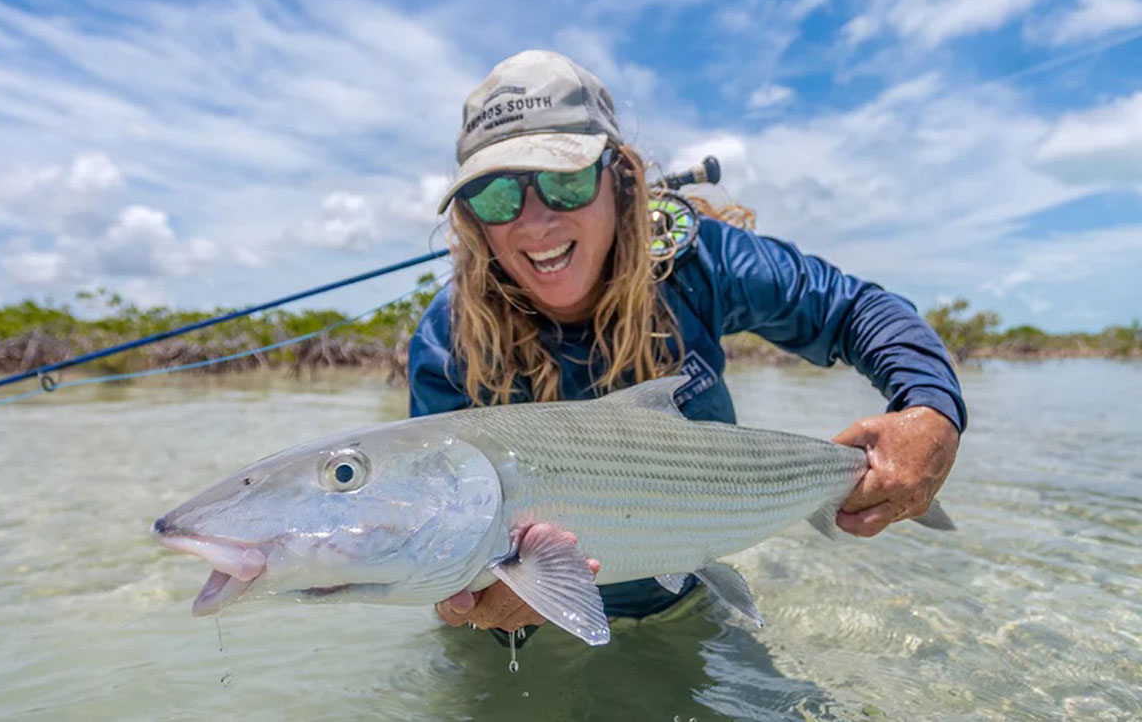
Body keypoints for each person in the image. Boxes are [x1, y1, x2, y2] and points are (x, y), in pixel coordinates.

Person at [408, 50, 964, 640]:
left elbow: (856, 311)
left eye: (564, 181)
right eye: (496, 196)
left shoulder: (700, 262)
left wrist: (931, 409)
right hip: (527, 628)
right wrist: (481, 610)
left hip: (686, 603)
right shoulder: (447, 339)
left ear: (619, 179)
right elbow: (439, 530)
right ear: (471, 217)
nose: (534, 221)